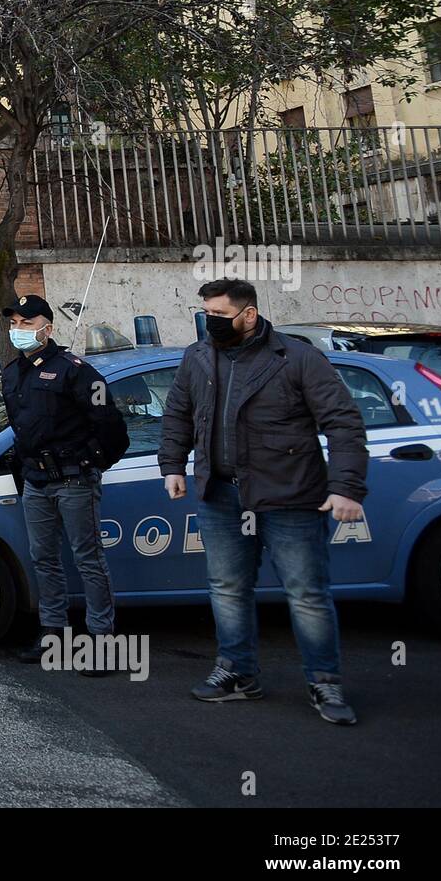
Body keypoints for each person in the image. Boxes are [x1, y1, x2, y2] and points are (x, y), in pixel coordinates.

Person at [159, 278, 367, 724]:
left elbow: (343, 423)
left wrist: (346, 486)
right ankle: (237, 673)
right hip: (221, 495)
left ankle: (324, 683)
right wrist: (172, 465)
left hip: (290, 495)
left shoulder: (297, 358)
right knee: (228, 590)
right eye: (205, 315)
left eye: (218, 315)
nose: (209, 323)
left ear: (248, 314)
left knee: (307, 595)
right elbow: (178, 412)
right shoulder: (197, 358)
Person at [1, 294, 130, 675]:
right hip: (36, 481)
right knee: (44, 559)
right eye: (15, 323)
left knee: (88, 560)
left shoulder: (76, 370)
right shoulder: (13, 372)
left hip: (74, 479)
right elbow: (20, 428)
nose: (19, 330)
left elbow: (111, 427)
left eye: (27, 323)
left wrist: (92, 464)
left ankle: (103, 642)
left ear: (48, 328)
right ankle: (53, 635)